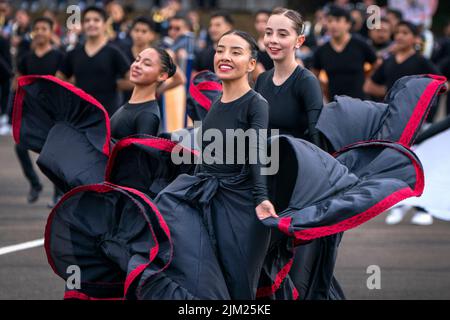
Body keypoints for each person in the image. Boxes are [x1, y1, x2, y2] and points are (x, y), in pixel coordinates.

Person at [142, 30, 277, 299]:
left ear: (252, 64)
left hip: (240, 207)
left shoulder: (256, 103)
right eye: (220, 50)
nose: (225, 57)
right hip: (205, 201)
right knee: (204, 281)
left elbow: (258, 150)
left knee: (239, 284)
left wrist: (261, 197)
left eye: (235, 52)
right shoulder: (215, 102)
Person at [255, 8, 324, 147]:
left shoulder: (306, 81)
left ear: (299, 41)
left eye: (282, 34)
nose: (273, 40)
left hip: (297, 163)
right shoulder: (262, 79)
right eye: (268, 33)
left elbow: (316, 137)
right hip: (264, 162)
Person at [14, 17, 65, 205]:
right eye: (37, 28)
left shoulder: (59, 57)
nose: (41, 31)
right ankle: (35, 184)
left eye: (45, 28)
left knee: (53, 154)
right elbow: (18, 83)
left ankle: (58, 193)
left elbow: (65, 83)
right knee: (20, 147)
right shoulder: (26, 58)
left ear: (52, 32)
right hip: (31, 111)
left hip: (53, 112)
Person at [56, 6, 131, 117]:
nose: (91, 24)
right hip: (80, 114)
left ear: (105, 24)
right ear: (82, 25)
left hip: (108, 113)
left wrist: (114, 84)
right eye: (87, 20)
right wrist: (75, 86)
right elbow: (59, 78)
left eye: (96, 20)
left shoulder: (113, 52)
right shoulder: (74, 53)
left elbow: (132, 79)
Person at [110, 47, 177, 140]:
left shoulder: (147, 116)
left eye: (147, 64)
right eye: (137, 60)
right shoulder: (132, 104)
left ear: (161, 75)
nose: (137, 65)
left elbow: (142, 153)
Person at [313, 5, 377, 100]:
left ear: (348, 24)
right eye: (330, 21)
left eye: (338, 20)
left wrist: (368, 80)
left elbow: (376, 63)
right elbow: (314, 74)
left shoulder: (360, 44)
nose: (333, 25)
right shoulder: (321, 50)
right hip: (334, 103)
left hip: (360, 102)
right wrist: (324, 88)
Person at [364, 21, 440, 100]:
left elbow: (441, 84)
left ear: (416, 38)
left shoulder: (421, 61)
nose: (399, 36)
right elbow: (368, 86)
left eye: (405, 33)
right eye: (397, 33)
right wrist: (389, 91)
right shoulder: (388, 60)